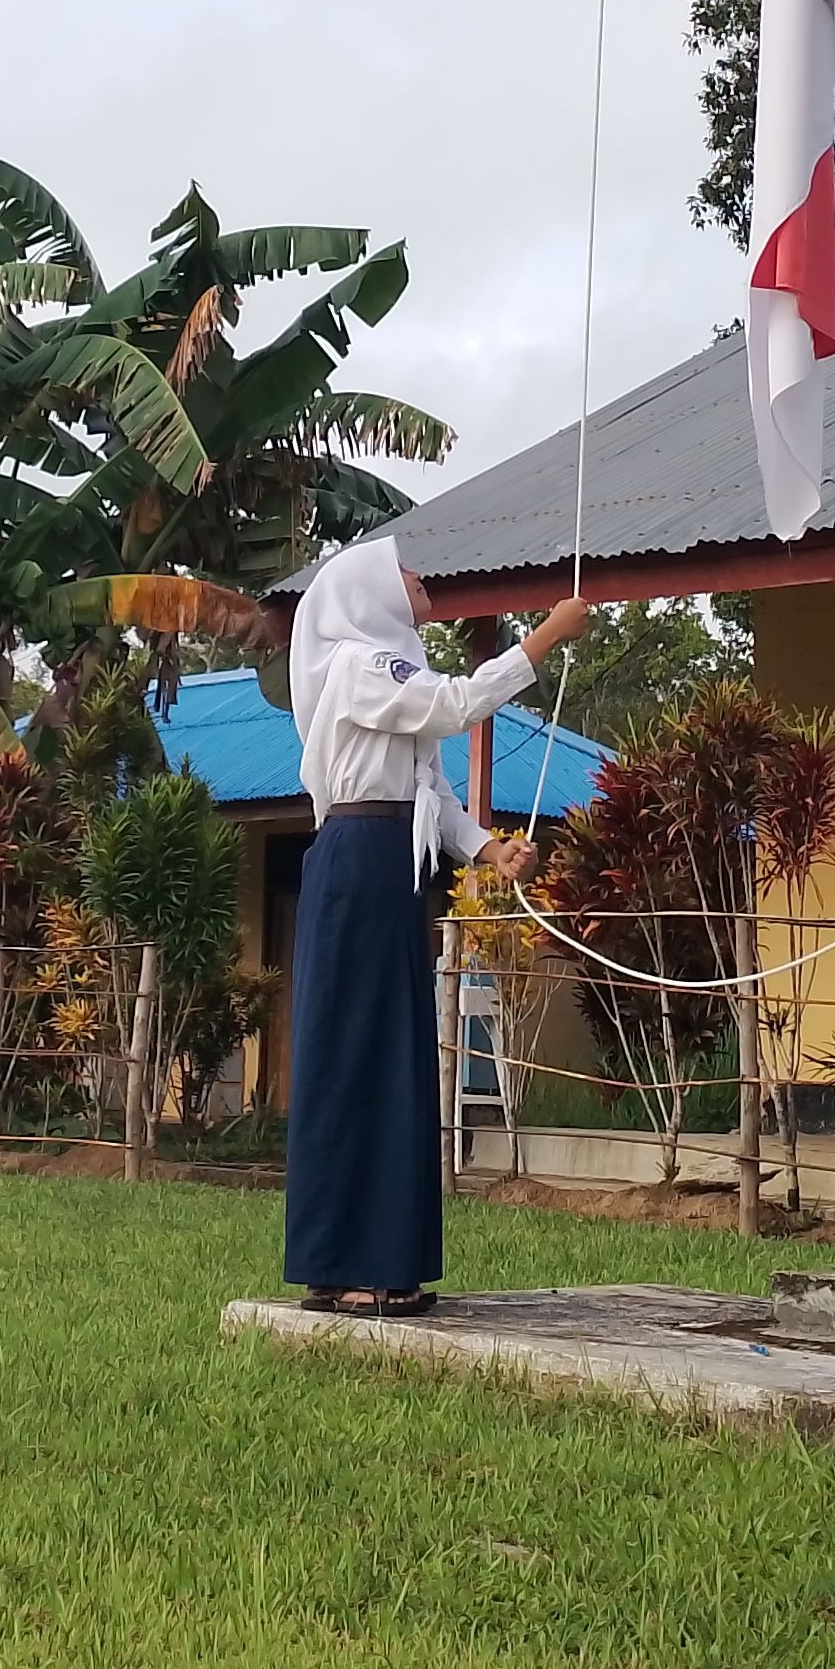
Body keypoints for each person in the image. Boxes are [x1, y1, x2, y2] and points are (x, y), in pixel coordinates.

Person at [280, 540, 591, 1315]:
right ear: (368, 593)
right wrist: (546, 636)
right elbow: (457, 703)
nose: (419, 579)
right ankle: (344, 1264)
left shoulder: (392, 672)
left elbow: (430, 795)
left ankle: (375, 1261)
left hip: (389, 861)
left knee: (389, 1053)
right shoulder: (361, 665)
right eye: (403, 572)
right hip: (359, 860)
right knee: (355, 1053)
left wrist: (488, 849)